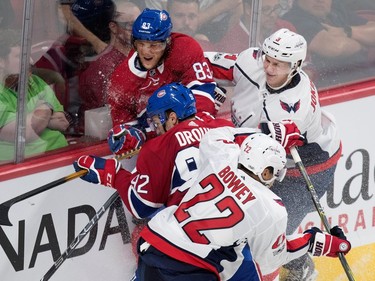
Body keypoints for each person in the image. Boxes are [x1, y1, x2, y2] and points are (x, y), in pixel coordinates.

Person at [205, 28, 342, 280]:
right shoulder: (251, 61)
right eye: (267, 59)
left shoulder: (293, 109)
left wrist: (210, 128)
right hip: (266, 158)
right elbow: (202, 64)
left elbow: (252, 147)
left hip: (307, 168)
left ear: (296, 65)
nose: (268, 68)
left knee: (269, 236)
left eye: (277, 64)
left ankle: (300, 269)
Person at [132, 127, 351, 280]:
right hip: (191, 268)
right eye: (274, 174)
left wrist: (266, 133)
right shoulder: (271, 207)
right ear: (265, 171)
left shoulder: (222, 157)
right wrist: (314, 240)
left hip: (154, 244)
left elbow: (216, 135)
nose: (275, 180)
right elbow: (268, 261)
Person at [74, 82, 233, 255]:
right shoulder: (222, 127)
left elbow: (141, 207)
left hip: (193, 239)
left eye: (157, 122)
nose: (156, 130)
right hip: (233, 226)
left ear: (172, 117)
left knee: (142, 238)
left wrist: (112, 172)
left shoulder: (158, 148)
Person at [107, 8, 218, 130]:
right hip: (158, 140)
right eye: (141, 44)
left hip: (194, 130)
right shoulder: (121, 81)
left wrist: (187, 129)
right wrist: (132, 137)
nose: (146, 52)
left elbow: (203, 93)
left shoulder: (184, 49)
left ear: (168, 41)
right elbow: (125, 130)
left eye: (154, 45)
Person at [0, 29, 69, 162]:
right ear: (1, 62)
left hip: (59, 155)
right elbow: (25, 133)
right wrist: (46, 107)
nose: (31, 61)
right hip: (24, 169)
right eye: (21, 56)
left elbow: (62, 123)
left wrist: (35, 118)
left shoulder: (35, 81)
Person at [282, 0, 375, 88]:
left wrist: (347, 32)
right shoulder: (293, 19)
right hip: (336, 88)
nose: (320, 0)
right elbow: (334, 48)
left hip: (366, 79)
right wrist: (363, 44)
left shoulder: (336, 9)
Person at [78, 1, 141, 118]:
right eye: (131, 25)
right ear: (113, 27)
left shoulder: (142, 58)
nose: (138, 30)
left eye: (140, 24)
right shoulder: (103, 67)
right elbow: (107, 114)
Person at [214, 0, 297, 53]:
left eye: (276, 8)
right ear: (249, 10)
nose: (273, 15)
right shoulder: (231, 45)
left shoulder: (286, 28)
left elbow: (305, 64)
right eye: (266, 9)